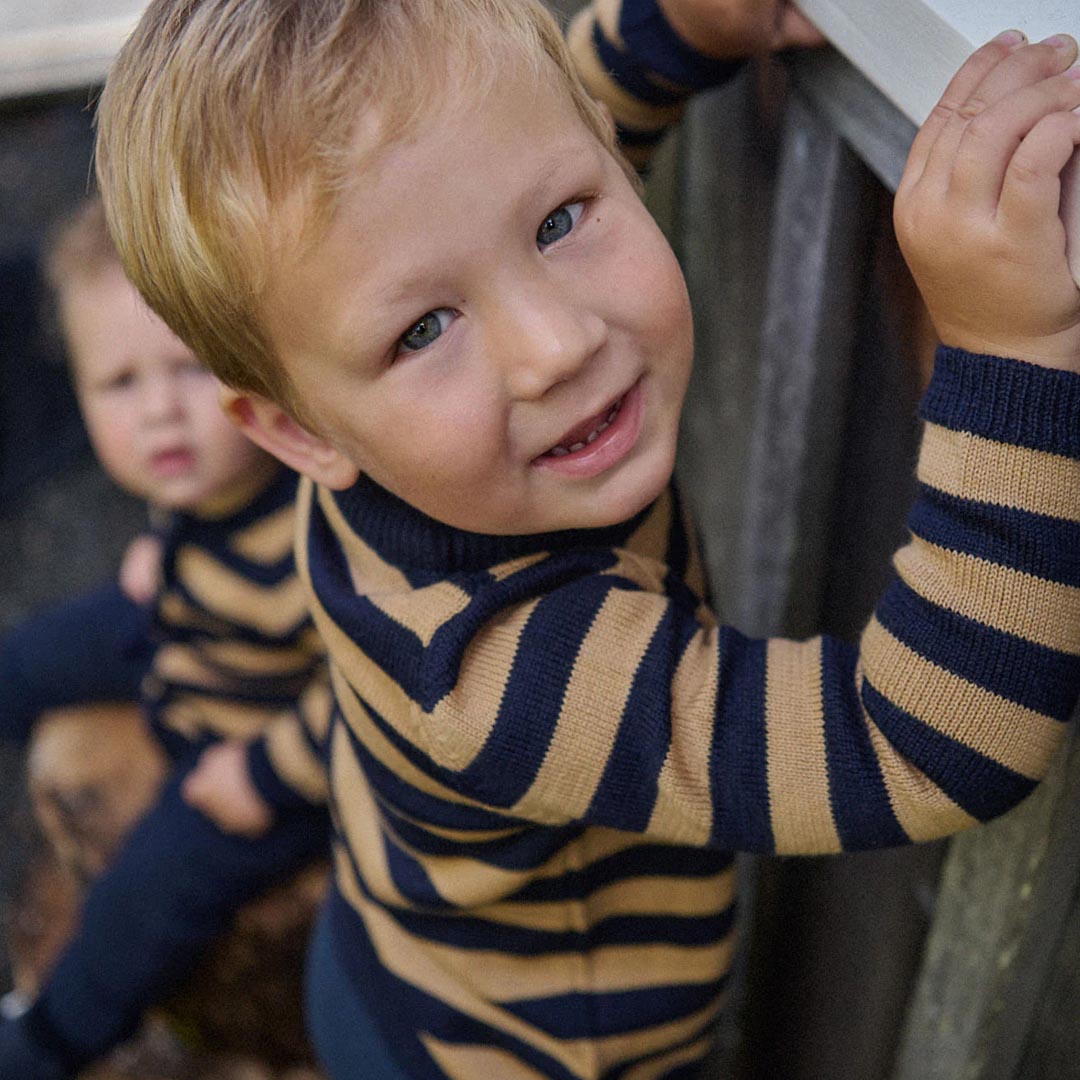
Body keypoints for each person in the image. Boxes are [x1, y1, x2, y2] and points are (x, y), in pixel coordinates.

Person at [91, 0, 1080, 1075]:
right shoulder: (507, 666)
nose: (556, 346)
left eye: (560, 221)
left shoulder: (367, 414)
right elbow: (931, 748)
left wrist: (683, 26)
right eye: (424, 329)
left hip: (387, 948)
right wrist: (1007, 346)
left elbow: (553, 117)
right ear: (294, 429)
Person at [0, 198, 332, 1079]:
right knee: (31, 658)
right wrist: (169, 540)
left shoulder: (322, 528)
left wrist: (265, 774)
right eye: (118, 384)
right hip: (186, 616)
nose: (158, 415)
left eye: (189, 370)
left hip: (254, 736)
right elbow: (194, 504)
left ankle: (49, 1039)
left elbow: (384, 692)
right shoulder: (207, 480)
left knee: (150, 886)